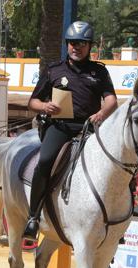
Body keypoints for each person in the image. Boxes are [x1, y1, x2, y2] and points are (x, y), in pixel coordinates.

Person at [23, 21, 118, 242]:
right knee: (45, 161)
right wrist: (45, 106)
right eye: (73, 43)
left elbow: (112, 100)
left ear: (89, 46)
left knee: (113, 165)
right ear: (67, 44)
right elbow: (32, 102)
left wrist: (102, 114)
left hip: (90, 127)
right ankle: (33, 217)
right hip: (61, 126)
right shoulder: (54, 70)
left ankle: (113, 221)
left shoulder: (99, 71)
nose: (77, 47)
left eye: (82, 43)